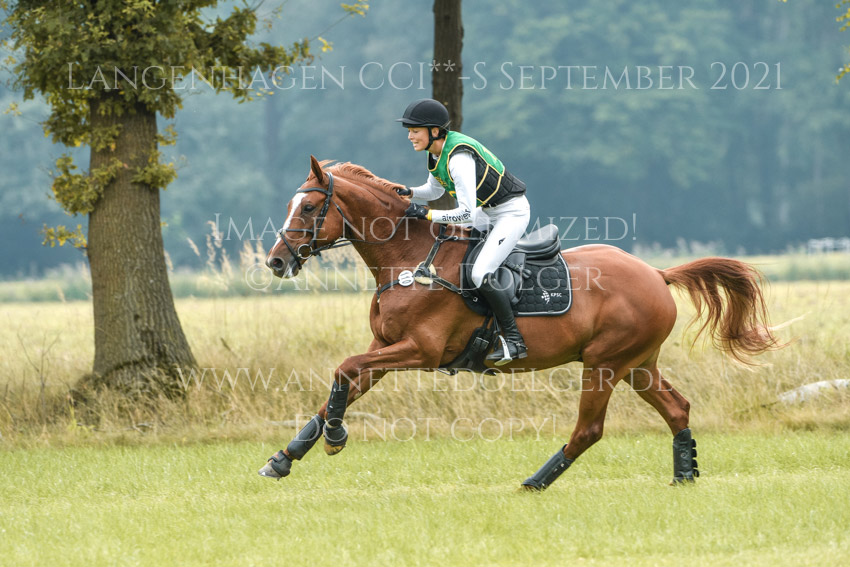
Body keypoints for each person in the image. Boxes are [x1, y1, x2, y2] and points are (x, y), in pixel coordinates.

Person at [396, 98, 531, 365]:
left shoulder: (458, 158)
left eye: (415, 130)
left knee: (479, 272)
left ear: (434, 131)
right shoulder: (436, 152)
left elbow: (466, 213)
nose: (410, 136)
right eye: (409, 130)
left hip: (511, 213)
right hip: (487, 211)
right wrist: (410, 192)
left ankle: (515, 341)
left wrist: (427, 214)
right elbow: (434, 190)